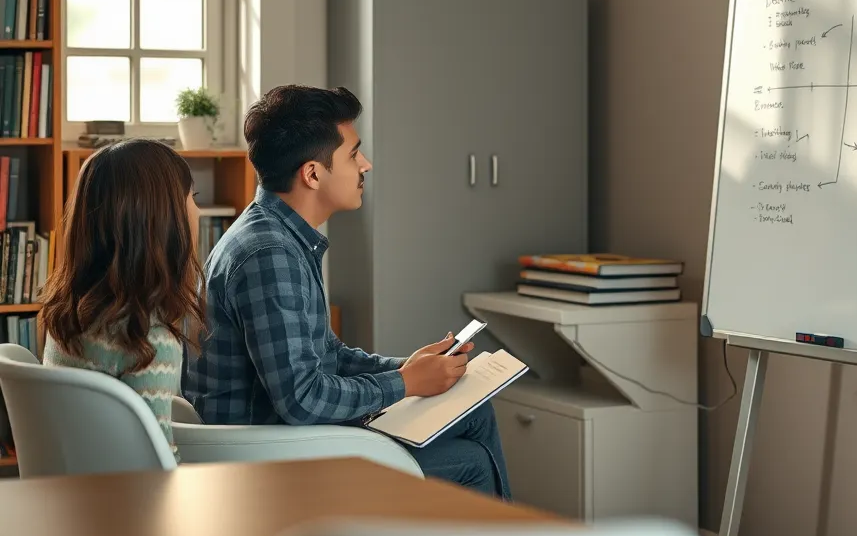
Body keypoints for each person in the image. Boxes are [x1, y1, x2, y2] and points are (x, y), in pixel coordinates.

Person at [183, 85, 510, 498]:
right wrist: (406, 383)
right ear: (313, 173)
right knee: (471, 464)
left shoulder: (277, 235)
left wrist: (407, 367)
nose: (366, 165)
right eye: (354, 154)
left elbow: (328, 355)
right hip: (263, 460)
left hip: (285, 438)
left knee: (472, 411)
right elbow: (302, 399)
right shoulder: (269, 254)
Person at [41, 139, 205, 457]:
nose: (198, 210)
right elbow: (158, 468)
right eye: (193, 198)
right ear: (166, 222)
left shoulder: (68, 315)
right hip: (125, 502)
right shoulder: (147, 340)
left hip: (73, 493)